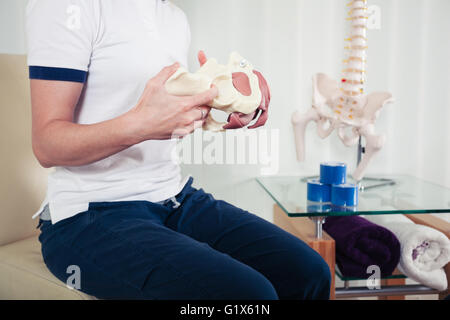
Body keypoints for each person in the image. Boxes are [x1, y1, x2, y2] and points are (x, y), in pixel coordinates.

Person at [27, 0, 331, 300]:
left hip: (172, 198)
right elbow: (47, 144)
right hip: (86, 215)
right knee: (251, 295)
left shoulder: (173, 18)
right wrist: (141, 124)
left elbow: (162, 116)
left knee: (309, 273)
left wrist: (230, 103)